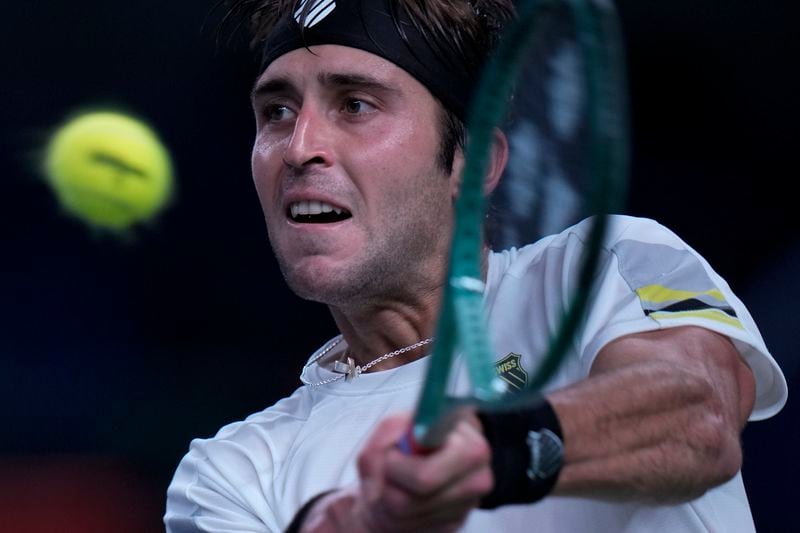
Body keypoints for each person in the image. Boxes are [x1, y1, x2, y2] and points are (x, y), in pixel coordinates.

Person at [164, 1, 787, 531]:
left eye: (355, 105)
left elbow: (698, 418)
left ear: (476, 165)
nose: (299, 147)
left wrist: (493, 453)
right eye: (276, 111)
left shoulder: (607, 264)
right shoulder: (231, 472)